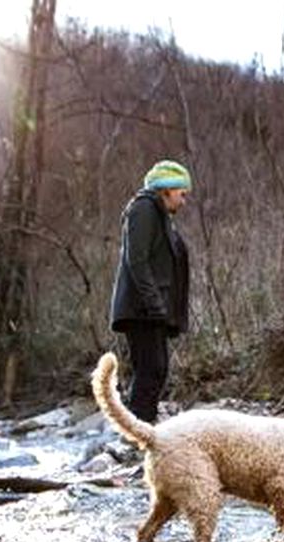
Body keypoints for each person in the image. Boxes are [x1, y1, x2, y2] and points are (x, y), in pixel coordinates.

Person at [108, 159, 192, 423]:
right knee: (151, 370)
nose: (184, 201)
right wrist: (155, 302)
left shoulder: (159, 214)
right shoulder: (144, 208)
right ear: (166, 189)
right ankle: (139, 434)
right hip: (141, 309)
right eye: (182, 194)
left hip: (151, 309)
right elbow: (137, 260)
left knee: (157, 370)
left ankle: (143, 427)